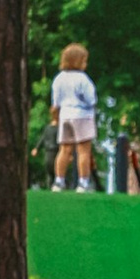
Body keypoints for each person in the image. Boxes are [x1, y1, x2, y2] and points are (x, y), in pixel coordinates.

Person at [49, 47, 96, 190]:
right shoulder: (82, 78)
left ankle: (58, 181)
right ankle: (83, 183)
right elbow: (91, 99)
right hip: (82, 115)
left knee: (64, 150)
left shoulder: (59, 78)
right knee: (83, 151)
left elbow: (55, 103)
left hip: (65, 115)